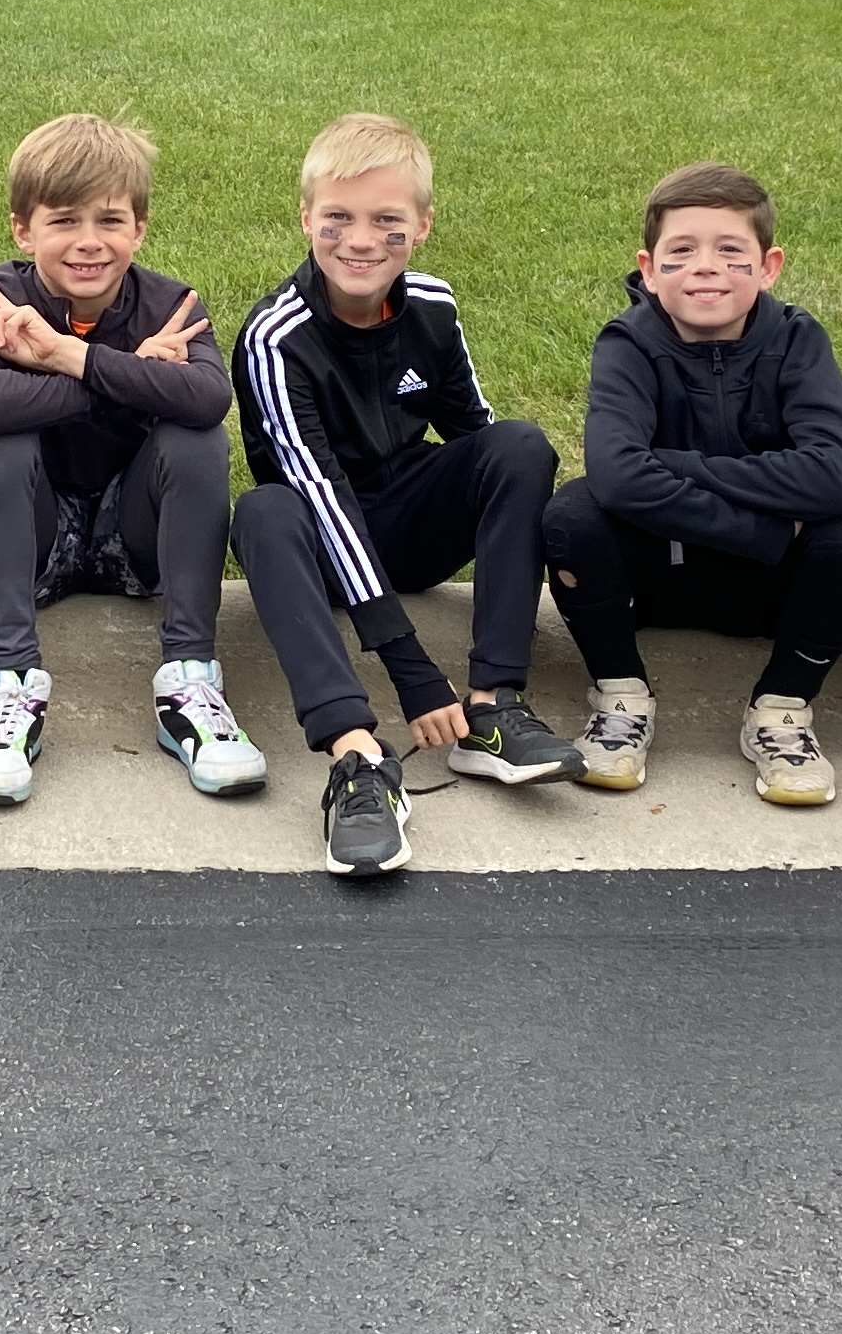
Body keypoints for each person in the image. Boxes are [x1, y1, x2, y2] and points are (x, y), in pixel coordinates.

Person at [230, 111, 581, 881]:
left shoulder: (433, 305)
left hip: (408, 526)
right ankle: (357, 759)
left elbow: (476, 441)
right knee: (263, 511)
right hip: (320, 544)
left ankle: (493, 709)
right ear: (306, 220)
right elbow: (320, 495)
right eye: (338, 219)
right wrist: (411, 669)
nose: (360, 241)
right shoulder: (274, 337)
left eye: (387, 220)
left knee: (519, 444)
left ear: (421, 224)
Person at [0, 111, 261, 810]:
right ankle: (8, 690)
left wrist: (65, 356)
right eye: (64, 221)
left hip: (133, 538)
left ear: (139, 229)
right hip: (38, 540)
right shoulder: (1, 298)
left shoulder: (170, 303)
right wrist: (112, 380)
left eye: (110, 221)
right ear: (24, 229)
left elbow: (207, 398)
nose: (89, 243)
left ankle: (190, 682)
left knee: (194, 438)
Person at [539, 161, 842, 806]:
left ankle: (782, 711)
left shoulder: (797, 339)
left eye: (731, 250)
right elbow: (616, 475)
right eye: (682, 251)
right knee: (571, 517)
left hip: (770, 599)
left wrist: (677, 462)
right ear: (648, 267)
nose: (706, 266)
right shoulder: (628, 342)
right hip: (656, 584)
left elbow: (835, 475)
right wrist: (769, 532)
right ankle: (620, 697)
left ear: (769, 265)